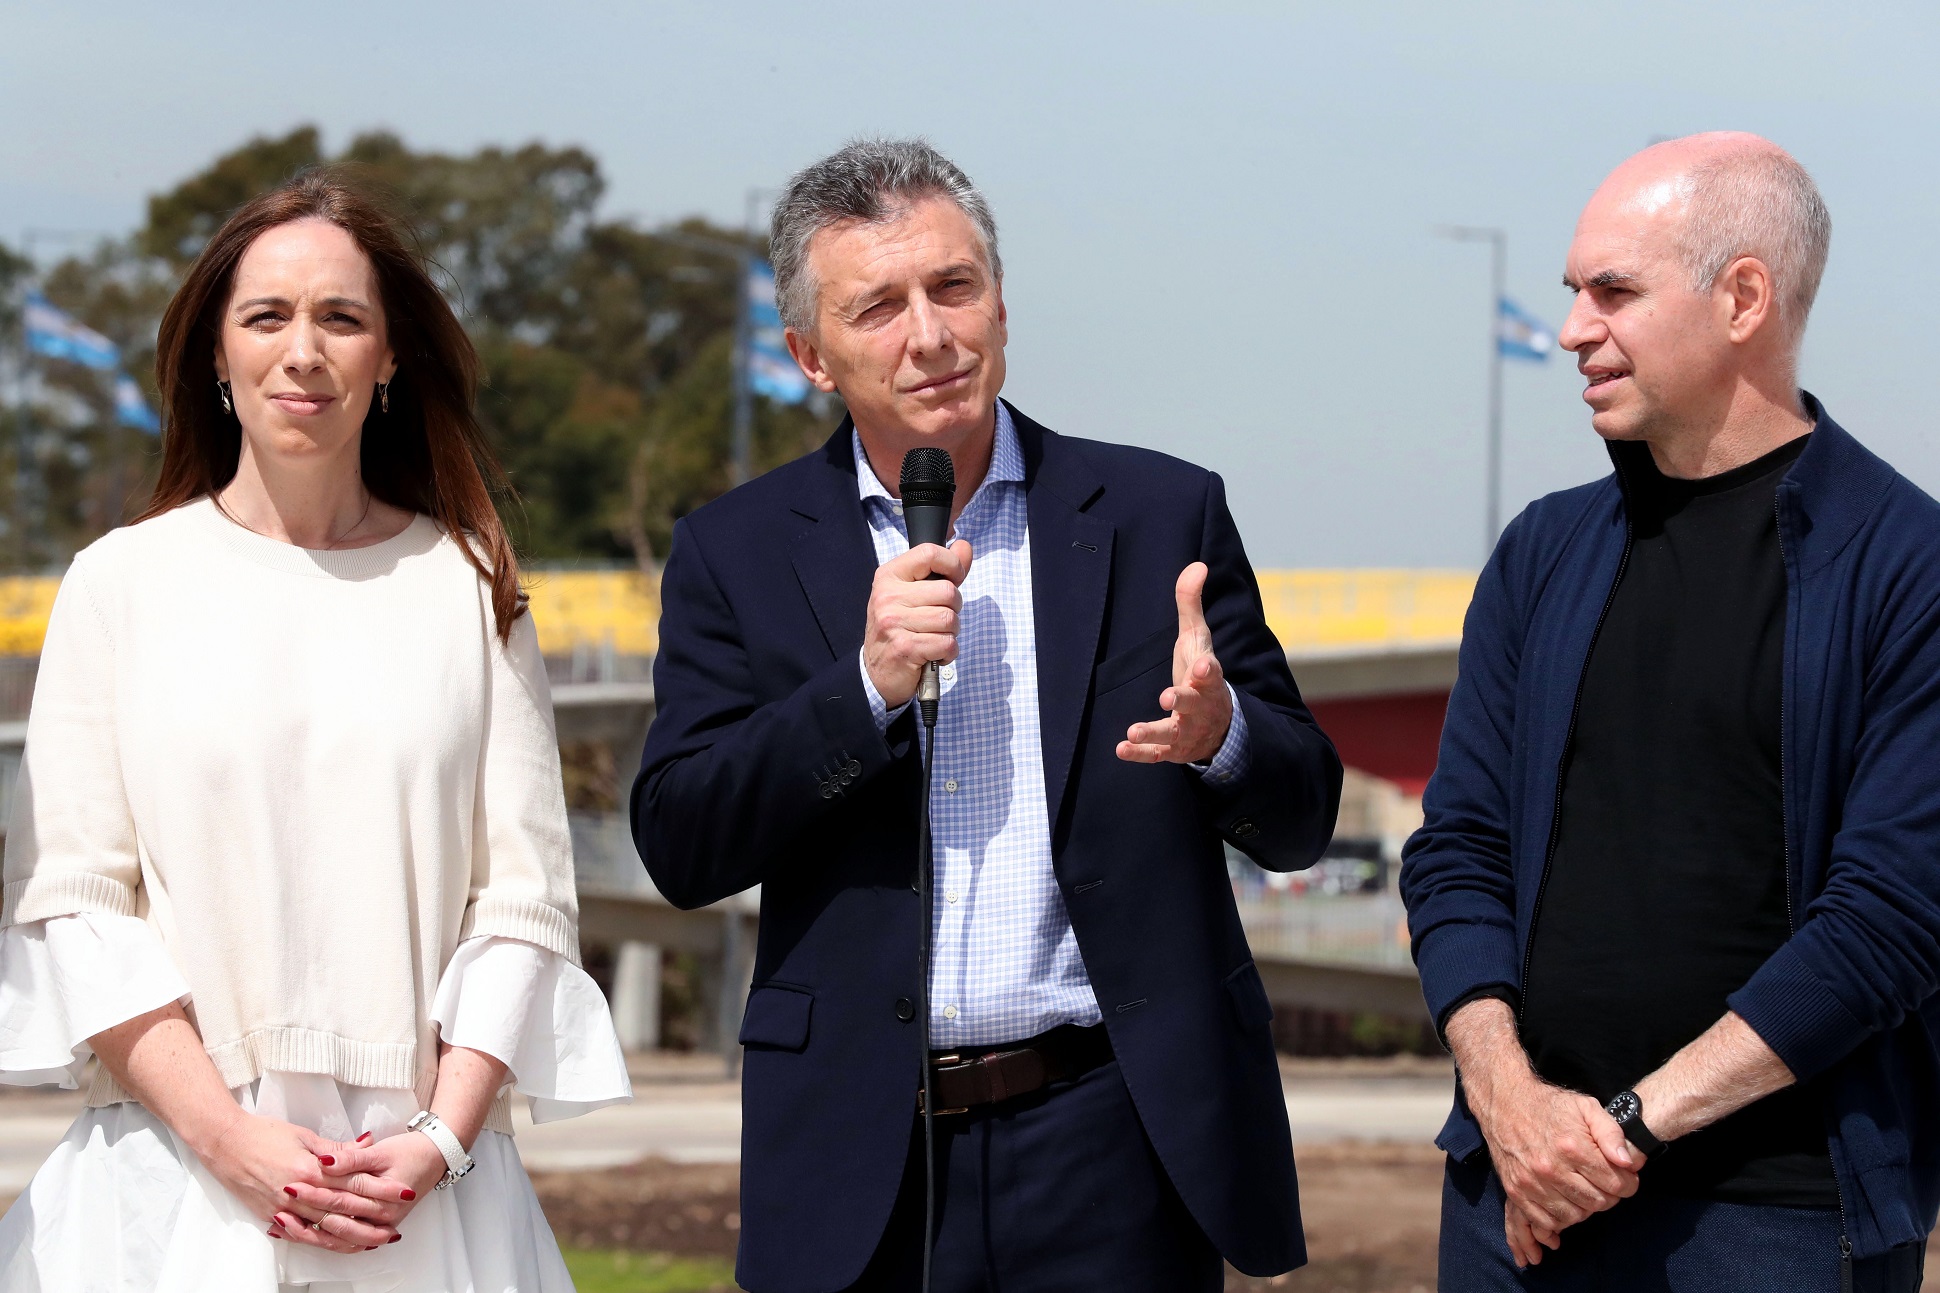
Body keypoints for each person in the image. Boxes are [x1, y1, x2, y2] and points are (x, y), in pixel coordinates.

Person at [632, 138, 1342, 1293]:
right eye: (878, 307)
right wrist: (859, 690)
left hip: (1112, 1139)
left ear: (1000, 304)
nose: (930, 336)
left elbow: (1303, 814)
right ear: (811, 355)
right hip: (862, 1149)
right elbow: (678, 840)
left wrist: (1222, 742)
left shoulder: (1162, 514)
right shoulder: (736, 553)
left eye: (953, 288)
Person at [0, 172, 631, 1292]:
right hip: (171, 1193)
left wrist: (438, 1140)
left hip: (423, 1198)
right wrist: (231, 1142)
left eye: (341, 318)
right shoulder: (116, 587)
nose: (304, 351)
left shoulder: (470, 590)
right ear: (215, 354)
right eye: (267, 316)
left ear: (388, 359)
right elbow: (78, 904)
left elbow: (524, 902)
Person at [1402, 132, 1940, 1292]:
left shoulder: (1906, 568)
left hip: (1775, 1227)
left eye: (1613, 292)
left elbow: (1887, 920)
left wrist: (1620, 1130)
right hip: (1514, 1207)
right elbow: (1455, 854)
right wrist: (1511, 1109)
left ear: (1741, 296)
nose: (1572, 330)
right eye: (1571, 293)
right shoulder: (1541, 553)